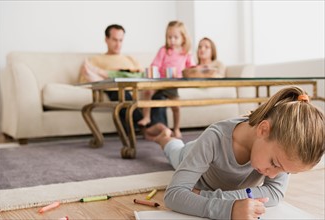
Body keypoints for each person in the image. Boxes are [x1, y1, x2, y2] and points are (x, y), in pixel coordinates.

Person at [154, 86, 324, 219]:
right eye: (275, 164)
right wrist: (228, 209)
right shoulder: (215, 138)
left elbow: (275, 193)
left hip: (210, 185)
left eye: (284, 171)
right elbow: (173, 195)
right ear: (263, 130)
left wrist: (208, 196)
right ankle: (164, 137)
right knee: (174, 151)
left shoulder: (282, 148)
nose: (273, 176)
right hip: (191, 152)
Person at [79, 24, 168, 138]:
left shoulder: (130, 59)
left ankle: (156, 127)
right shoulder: (96, 60)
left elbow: (142, 75)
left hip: (137, 88)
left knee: (160, 94)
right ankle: (153, 128)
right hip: (116, 88)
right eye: (115, 40)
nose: (118, 44)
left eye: (121, 40)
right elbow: (85, 80)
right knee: (121, 93)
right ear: (106, 39)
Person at [138, 21, 196, 139]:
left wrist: (187, 73)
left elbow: (191, 69)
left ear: (183, 38)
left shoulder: (186, 53)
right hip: (160, 81)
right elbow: (155, 64)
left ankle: (176, 128)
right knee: (148, 92)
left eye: (175, 37)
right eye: (169, 37)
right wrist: (153, 72)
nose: (172, 40)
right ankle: (147, 116)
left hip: (173, 83)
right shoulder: (163, 50)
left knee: (176, 107)